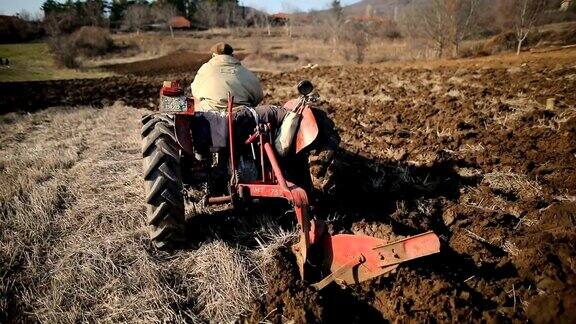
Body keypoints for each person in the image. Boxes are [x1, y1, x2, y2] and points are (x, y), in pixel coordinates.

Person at [191, 42, 263, 112]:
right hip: (241, 114)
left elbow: (195, 91)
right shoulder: (244, 71)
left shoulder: (206, 68)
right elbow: (258, 96)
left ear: (214, 56)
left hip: (211, 113)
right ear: (232, 55)